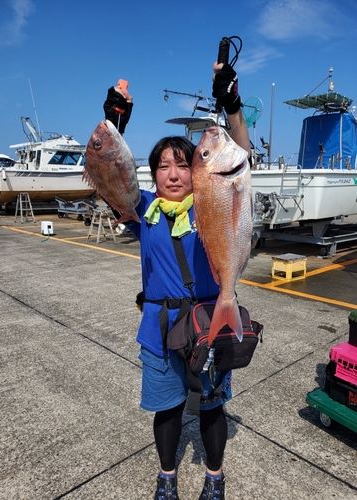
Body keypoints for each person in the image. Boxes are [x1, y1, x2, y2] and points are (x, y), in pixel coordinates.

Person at [126, 62, 250, 500]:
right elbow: (112, 184)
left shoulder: (210, 201)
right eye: (163, 166)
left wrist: (233, 105)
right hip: (159, 330)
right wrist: (114, 130)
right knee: (168, 409)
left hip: (207, 324)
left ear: (196, 173)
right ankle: (167, 478)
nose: (174, 174)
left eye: (182, 164)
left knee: (213, 406)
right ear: (153, 175)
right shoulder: (144, 212)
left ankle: (214, 479)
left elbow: (239, 150)